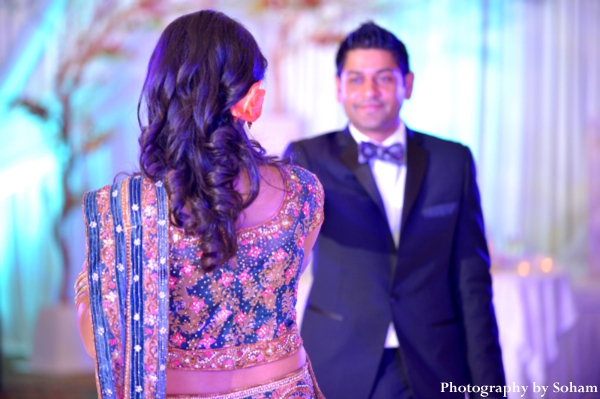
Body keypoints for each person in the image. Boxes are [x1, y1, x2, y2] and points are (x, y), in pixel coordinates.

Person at [74, 10, 325, 399]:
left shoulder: (128, 209)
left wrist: (87, 287)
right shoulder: (304, 193)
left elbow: (104, 343)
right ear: (250, 91)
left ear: (161, 90)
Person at [285, 22, 505, 399]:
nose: (369, 92)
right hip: (334, 361)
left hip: (434, 363)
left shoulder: (452, 160)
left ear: (408, 83)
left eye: (384, 78)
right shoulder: (306, 159)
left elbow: (472, 280)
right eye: (356, 80)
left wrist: (489, 388)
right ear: (338, 87)